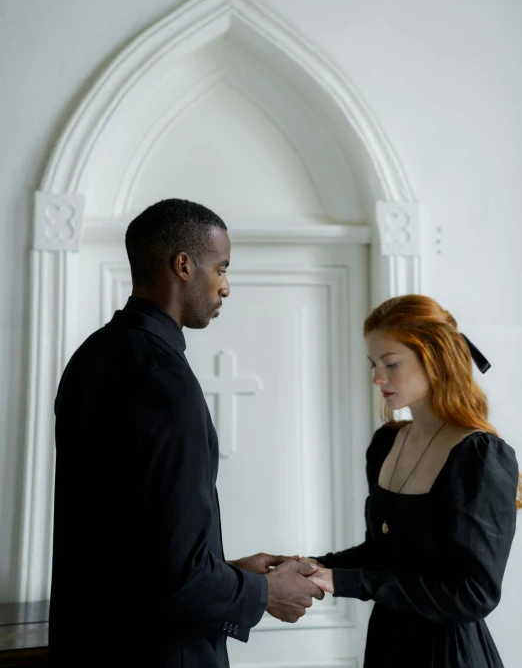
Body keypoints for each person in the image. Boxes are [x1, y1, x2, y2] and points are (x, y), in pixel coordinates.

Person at [49, 198, 324, 668]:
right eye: (221, 268)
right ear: (183, 265)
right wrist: (264, 592)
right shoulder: (164, 379)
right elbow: (178, 578)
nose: (226, 287)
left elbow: (130, 548)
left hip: (89, 644)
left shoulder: (90, 357)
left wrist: (228, 571)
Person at [302, 294, 520, 668]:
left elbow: (473, 594)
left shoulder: (481, 456)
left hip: (447, 653)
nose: (377, 378)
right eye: (373, 364)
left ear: (434, 358)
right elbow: (382, 554)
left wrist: (347, 582)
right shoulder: (387, 442)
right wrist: (309, 566)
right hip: (388, 642)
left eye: (390, 363)